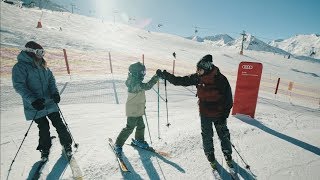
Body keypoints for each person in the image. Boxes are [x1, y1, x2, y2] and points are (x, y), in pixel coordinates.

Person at [156, 54, 234, 170]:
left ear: (207, 68)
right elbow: (180, 81)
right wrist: (165, 75)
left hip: (219, 115)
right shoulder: (198, 77)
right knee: (207, 136)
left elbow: (228, 99)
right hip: (205, 114)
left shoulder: (221, 79)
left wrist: (224, 116)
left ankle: (227, 155)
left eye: (200, 69)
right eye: (197, 69)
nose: (197, 71)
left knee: (224, 135)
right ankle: (210, 157)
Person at [12, 41, 73, 161]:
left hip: (49, 102)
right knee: (43, 126)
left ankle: (67, 144)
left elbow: (51, 81)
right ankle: (45, 148)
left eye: (42, 52)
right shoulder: (20, 67)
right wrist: (33, 100)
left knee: (58, 123)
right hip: (35, 105)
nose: (42, 55)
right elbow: (19, 85)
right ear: (30, 52)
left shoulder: (43, 65)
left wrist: (55, 93)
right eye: (39, 52)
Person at [114, 62, 159, 156]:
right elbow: (147, 86)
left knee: (141, 126)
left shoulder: (135, 82)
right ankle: (118, 144)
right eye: (142, 72)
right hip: (133, 109)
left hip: (138, 108)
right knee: (129, 127)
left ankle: (139, 140)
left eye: (144, 72)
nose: (143, 74)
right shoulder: (134, 83)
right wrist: (156, 77)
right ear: (136, 73)